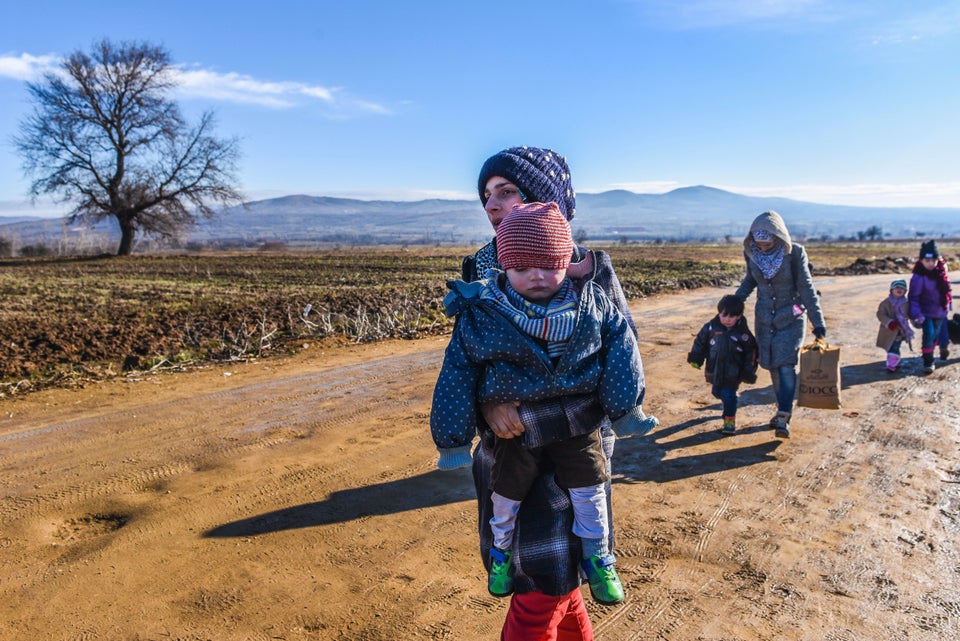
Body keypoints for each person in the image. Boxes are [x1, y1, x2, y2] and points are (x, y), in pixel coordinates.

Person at [461, 146, 656, 639]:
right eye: (486, 195)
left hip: (576, 449)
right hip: (510, 451)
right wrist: (488, 404)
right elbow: (464, 360)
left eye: (507, 190)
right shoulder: (479, 270)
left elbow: (621, 358)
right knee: (548, 581)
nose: (492, 204)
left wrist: (561, 406)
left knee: (548, 583)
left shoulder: (589, 269)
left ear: (546, 199)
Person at [735, 211, 826, 439]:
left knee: (786, 365)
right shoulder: (751, 254)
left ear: (778, 237)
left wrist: (819, 323)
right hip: (765, 319)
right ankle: (781, 408)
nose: (763, 248)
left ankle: (784, 416)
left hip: (791, 318)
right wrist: (734, 302)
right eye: (759, 243)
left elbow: (806, 288)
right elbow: (750, 281)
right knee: (774, 366)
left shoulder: (794, 253)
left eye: (768, 243)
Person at [687, 294, 759, 435]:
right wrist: (696, 358)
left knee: (728, 395)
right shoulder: (710, 328)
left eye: (731, 317)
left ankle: (729, 423)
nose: (727, 319)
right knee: (717, 392)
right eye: (724, 315)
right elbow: (700, 343)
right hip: (715, 369)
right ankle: (728, 405)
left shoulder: (743, 335)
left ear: (739, 316)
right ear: (719, 313)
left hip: (734, 373)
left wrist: (748, 370)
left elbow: (751, 353)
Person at [908, 240, 952, 374]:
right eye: (927, 260)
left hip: (939, 311)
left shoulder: (941, 273)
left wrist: (947, 307)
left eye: (933, 260)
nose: (931, 263)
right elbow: (913, 297)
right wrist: (916, 314)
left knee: (935, 335)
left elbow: (947, 292)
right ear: (921, 260)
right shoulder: (918, 277)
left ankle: (934, 351)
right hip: (924, 313)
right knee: (929, 334)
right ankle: (928, 361)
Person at [876, 279, 914, 373]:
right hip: (889, 329)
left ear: (905, 291)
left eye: (902, 288)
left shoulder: (907, 303)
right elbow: (880, 314)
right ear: (891, 290)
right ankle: (893, 362)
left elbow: (911, 314)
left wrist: (917, 320)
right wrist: (889, 322)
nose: (899, 289)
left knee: (895, 345)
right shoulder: (885, 303)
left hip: (901, 330)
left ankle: (893, 362)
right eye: (897, 287)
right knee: (892, 346)